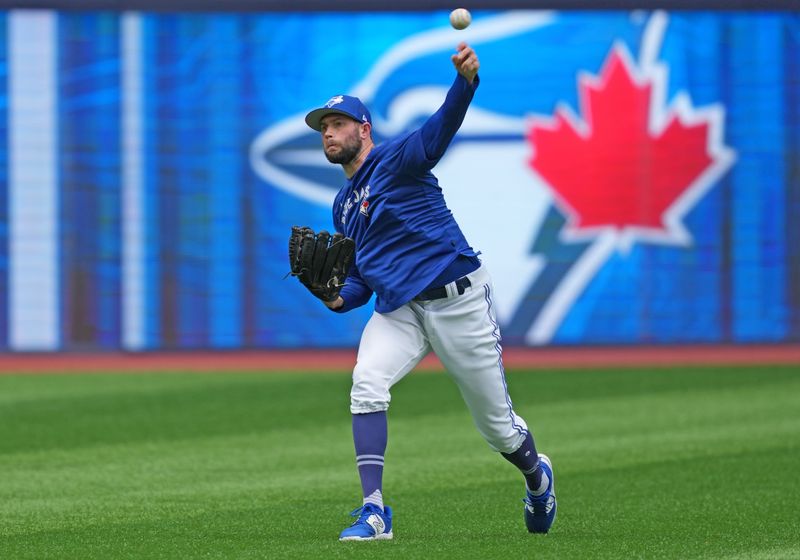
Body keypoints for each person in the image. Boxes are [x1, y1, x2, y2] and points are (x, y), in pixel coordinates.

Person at [303, 42, 556, 541]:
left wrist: (465, 83)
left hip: (458, 299)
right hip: (401, 310)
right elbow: (361, 277)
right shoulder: (343, 205)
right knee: (366, 384)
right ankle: (374, 512)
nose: (328, 133)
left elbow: (440, 129)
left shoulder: (398, 160)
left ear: (363, 129)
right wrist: (336, 299)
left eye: (337, 124)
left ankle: (536, 475)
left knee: (498, 429)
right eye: (323, 128)